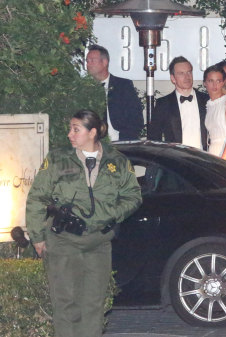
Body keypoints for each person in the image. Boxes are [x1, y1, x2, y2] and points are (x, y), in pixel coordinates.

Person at [25, 110, 142, 337]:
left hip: (99, 242)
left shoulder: (117, 161)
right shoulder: (58, 159)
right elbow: (37, 197)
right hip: (63, 241)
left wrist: (108, 214)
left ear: (93, 132)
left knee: (93, 306)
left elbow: (133, 196)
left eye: (76, 129)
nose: (70, 134)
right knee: (66, 304)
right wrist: (37, 236)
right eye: (70, 128)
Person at [148, 56, 209, 150]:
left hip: (204, 159)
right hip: (176, 160)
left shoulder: (206, 100)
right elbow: (154, 137)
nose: (187, 77)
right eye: (181, 73)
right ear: (173, 78)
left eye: (189, 72)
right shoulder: (163, 104)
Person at [86, 45, 144, 141]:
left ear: (104, 62)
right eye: (87, 61)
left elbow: (136, 118)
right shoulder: (85, 88)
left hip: (121, 142)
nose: (88, 64)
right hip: (94, 143)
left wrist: (126, 140)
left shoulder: (123, 85)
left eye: (92, 60)